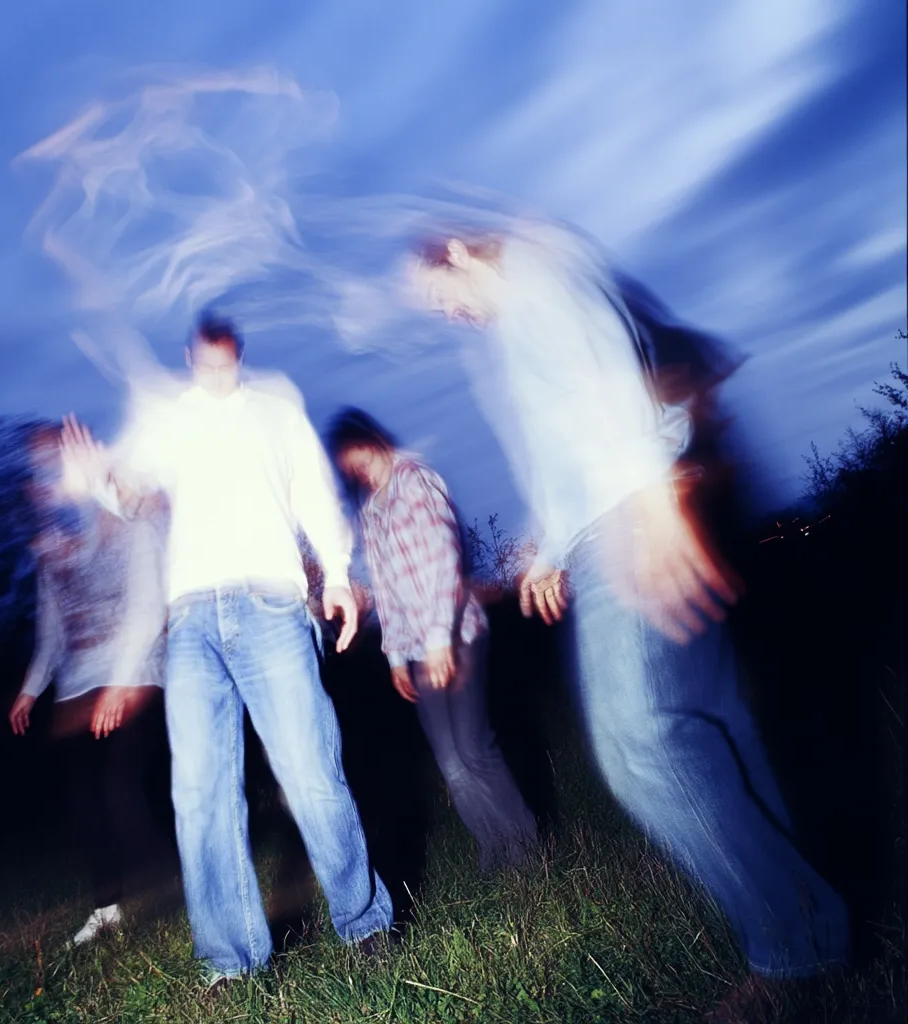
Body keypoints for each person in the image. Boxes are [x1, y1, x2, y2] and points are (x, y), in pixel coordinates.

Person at [403, 224, 849, 1019]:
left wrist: (650, 509)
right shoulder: (526, 303)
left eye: (443, 298)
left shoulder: (532, 274)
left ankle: (791, 945)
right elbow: (570, 430)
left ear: (462, 255)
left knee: (639, 740)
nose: (451, 316)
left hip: (634, 515)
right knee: (711, 721)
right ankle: (807, 932)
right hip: (629, 504)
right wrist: (549, 539)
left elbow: (606, 382)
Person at [59, 313, 393, 985]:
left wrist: (335, 573)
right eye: (204, 366)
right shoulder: (166, 416)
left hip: (270, 603)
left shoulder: (276, 408)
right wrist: (98, 477)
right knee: (200, 791)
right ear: (190, 357)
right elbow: (131, 497)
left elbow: (314, 491)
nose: (216, 376)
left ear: (238, 355)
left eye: (226, 366)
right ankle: (231, 961)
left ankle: (365, 924)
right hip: (191, 622)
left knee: (308, 767)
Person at [326, 408, 538, 872]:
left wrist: (441, 640)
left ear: (373, 439)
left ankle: (527, 849)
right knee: (450, 761)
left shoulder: (416, 480)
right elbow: (386, 589)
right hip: (418, 650)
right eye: (346, 465)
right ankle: (496, 847)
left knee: (473, 747)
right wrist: (396, 658)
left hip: (456, 634)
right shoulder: (370, 511)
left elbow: (444, 559)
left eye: (356, 454)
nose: (355, 468)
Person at [8, 425, 173, 946]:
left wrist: (122, 682)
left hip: (137, 668)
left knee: (121, 785)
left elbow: (150, 603)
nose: (44, 483)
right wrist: (30, 690)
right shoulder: (50, 550)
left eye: (50, 468)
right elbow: (52, 630)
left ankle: (172, 879)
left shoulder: (124, 518)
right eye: (36, 475)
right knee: (84, 800)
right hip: (78, 682)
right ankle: (106, 906)